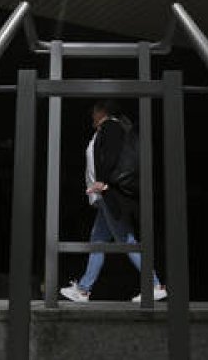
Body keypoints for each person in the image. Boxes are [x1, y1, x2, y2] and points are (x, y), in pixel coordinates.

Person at [60, 99, 167, 303]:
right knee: (98, 241)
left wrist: (102, 181)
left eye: (94, 111)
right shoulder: (105, 129)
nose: (91, 115)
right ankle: (83, 289)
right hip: (104, 196)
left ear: (102, 111)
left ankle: (155, 284)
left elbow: (110, 155)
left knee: (126, 241)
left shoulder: (111, 126)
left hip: (109, 193)